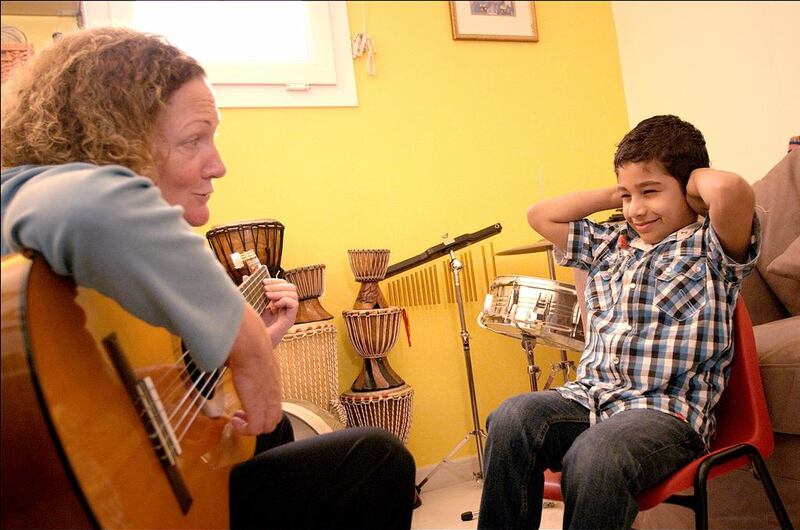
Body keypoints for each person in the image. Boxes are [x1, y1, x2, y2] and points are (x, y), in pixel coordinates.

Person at [1, 27, 415, 529]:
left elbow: (106, 386)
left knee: (270, 434)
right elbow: (86, 205)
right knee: (372, 459)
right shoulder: (26, 192)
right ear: (113, 139)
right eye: (193, 139)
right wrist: (246, 342)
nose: (217, 165)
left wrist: (242, 344)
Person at [477, 115, 760, 529]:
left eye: (651, 192)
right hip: (591, 399)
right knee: (511, 417)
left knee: (596, 453)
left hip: (665, 414)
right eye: (627, 197)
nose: (636, 209)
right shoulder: (611, 244)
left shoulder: (711, 247)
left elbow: (731, 189)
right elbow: (540, 215)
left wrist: (690, 181)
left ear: (688, 189)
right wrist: (623, 188)